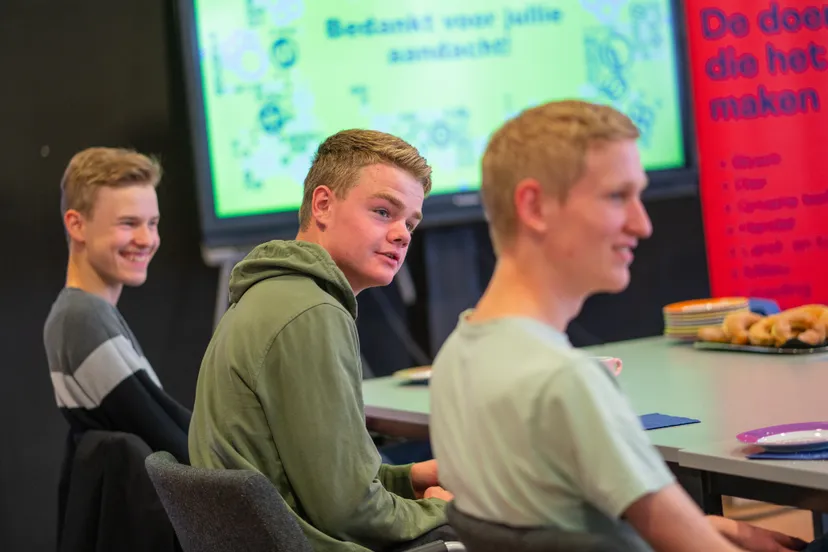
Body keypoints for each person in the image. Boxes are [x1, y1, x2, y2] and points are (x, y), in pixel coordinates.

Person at [429, 100, 812, 552]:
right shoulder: (563, 380)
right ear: (534, 206)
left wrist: (710, 527)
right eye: (617, 197)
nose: (642, 224)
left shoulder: (456, 357)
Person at [189, 129, 453, 552]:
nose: (403, 234)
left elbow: (321, 480)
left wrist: (409, 479)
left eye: (410, 223)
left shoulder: (272, 294)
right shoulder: (312, 313)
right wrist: (444, 510)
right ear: (323, 205)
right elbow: (349, 512)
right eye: (383, 212)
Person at [44, 147, 191, 462]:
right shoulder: (81, 316)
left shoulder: (85, 313)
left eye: (152, 223)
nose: (147, 239)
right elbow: (168, 439)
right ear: (77, 225)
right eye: (128, 223)